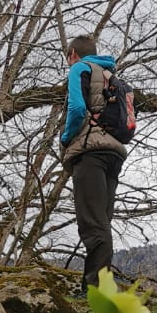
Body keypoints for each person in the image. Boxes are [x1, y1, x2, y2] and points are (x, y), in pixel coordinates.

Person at [61, 34, 127, 295]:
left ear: (74, 54)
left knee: (92, 223)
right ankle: (99, 286)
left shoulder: (80, 68)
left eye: (68, 57)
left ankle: (95, 291)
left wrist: (66, 138)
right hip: (114, 154)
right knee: (102, 221)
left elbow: (77, 109)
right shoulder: (111, 76)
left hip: (90, 152)